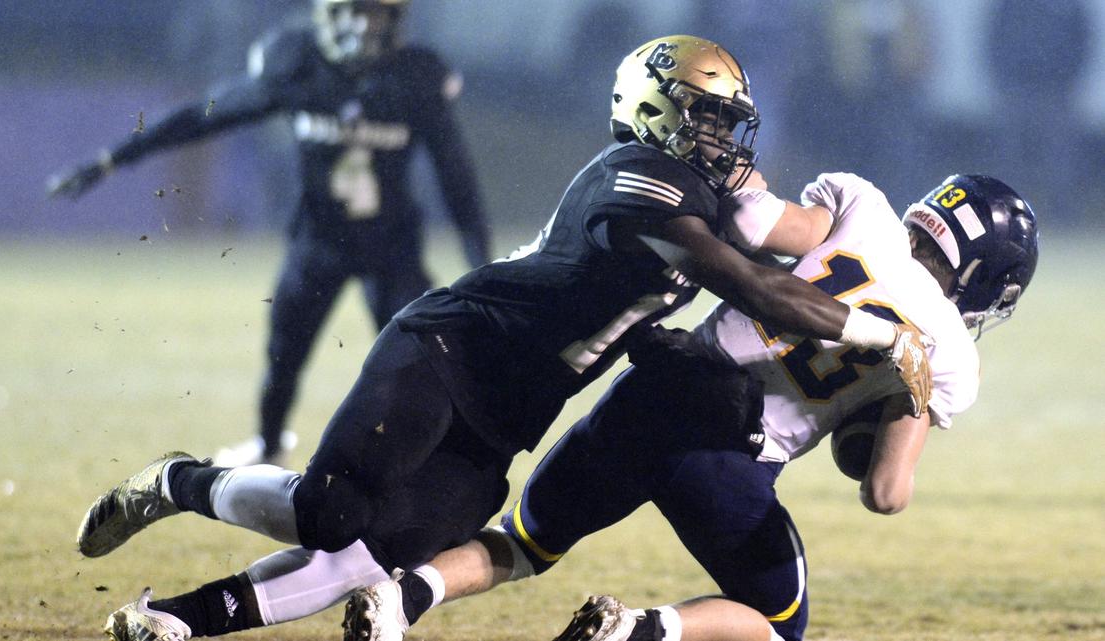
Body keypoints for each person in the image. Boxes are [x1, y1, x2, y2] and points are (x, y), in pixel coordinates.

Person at [75, 35, 933, 641]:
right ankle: (175, 480)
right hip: (448, 354)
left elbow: (782, 243)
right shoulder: (636, 179)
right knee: (329, 509)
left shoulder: (700, 193)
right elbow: (753, 284)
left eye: (725, 121)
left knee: (376, 555)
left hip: (510, 412)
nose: (721, 138)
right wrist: (884, 336)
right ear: (655, 110)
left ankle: (175, 620)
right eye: (706, 118)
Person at [342, 172, 1040, 641]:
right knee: (778, 623)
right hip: (730, 452)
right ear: (982, 273)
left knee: (526, 541)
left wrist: (748, 185)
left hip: (659, 385)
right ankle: (639, 630)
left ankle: (401, 599)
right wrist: (899, 399)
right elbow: (885, 492)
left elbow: (754, 220)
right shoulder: (949, 351)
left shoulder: (863, 205)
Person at [46, 0, 492, 467]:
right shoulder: (300, 64)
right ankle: (270, 444)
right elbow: (205, 115)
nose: (365, 26)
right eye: (355, 12)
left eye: (377, 14)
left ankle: (442, 462)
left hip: (392, 247)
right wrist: (113, 158)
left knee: (422, 356)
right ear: (329, 14)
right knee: (284, 352)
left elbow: (455, 175)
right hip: (319, 240)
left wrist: (480, 264)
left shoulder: (414, 76)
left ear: (395, 21)